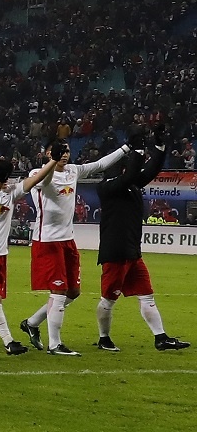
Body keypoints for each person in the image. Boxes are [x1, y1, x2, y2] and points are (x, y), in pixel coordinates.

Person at [18, 140, 129, 353]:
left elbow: (99, 165)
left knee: (73, 291)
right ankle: (55, 343)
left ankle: (31, 323)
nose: (65, 155)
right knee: (58, 291)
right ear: (48, 153)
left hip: (67, 240)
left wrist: (125, 149)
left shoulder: (73, 171)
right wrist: (52, 161)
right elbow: (45, 181)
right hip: (47, 240)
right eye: (59, 151)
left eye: (67, 151)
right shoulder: (38, 172)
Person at [92, 129, 189, 352]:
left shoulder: (131, 185)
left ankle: (161, 338)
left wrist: (159, 147)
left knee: (147, 295)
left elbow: (151, 170)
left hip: (132, 251)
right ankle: (103, 338)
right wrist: (136, 150)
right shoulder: (107, 187)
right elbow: (131, 174)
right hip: (115, 252)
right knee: (108, 299)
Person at [0, 154, 59, 355]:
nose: (5, 180)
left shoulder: (10, 193)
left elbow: (34, 180)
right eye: (0, 176)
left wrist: (53, 161)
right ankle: (9, 342)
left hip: (0, 255)